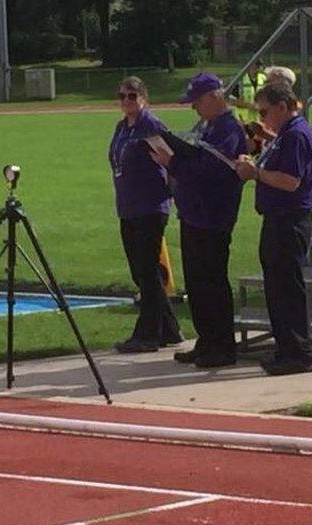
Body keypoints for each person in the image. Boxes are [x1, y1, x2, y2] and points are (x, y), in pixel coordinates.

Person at [150, 73, 247, 368]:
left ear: (215, 97)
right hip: (195, 213)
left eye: (197, 102)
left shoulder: (228, 129)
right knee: (197, 281)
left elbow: (212, 171)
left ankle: (221, 345)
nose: (194, 108)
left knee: (212, 280)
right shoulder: (210, 127)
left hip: (213, 215)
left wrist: (173, 162)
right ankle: (207, 340)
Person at [234, 83, 312, 376]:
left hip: (289, 218)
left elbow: (291, 180)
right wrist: (266, 136)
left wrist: (255, 172)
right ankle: (287, 348)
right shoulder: (286, 133)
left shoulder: (295, 134)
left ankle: (298, 351)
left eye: (266, 111)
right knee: (277, 286)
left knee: (286, 288)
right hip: (278, 218)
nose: (263, 116)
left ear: (283, 107)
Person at [108, 77, 182, 353]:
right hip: (127, 206)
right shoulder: (121, 127)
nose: (127, 101)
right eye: (122, 96)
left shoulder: (151, 125)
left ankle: (147, 333)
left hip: (150, 206)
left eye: (132, 96)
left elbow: (172, 159)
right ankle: (169, 328)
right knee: (140, 270)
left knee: (147, 269)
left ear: (143, 98)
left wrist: (176, 194)